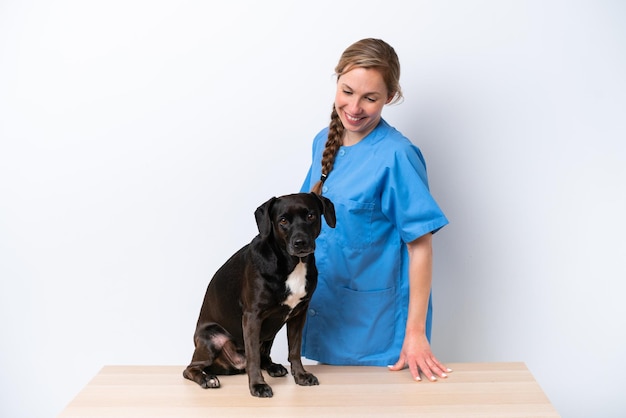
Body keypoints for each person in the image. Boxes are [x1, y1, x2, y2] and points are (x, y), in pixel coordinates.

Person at [300, 38, 450, 382]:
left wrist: (415, 334)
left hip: (378, 329)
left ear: (390, 97)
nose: (354, 107)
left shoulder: (397, 155)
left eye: (370, 98)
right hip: (327, 310)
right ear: (336, 81)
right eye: (347, 91)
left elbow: (420, 246)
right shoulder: (323, 141)